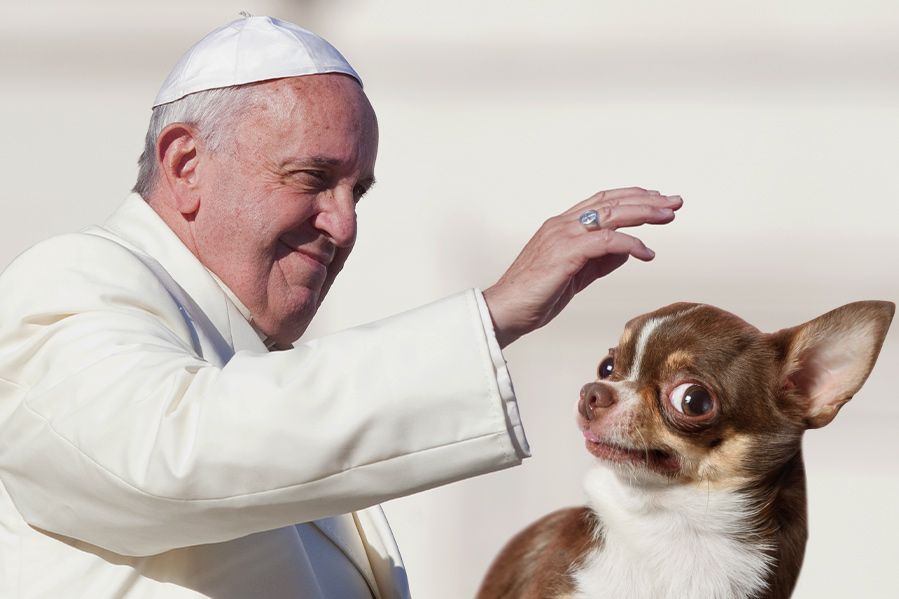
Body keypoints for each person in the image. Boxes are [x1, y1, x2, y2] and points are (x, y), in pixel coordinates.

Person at [0, 15, 682, 599]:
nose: (344, 224)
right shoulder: (72, 281)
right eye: (312, 178)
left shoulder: (253, 363)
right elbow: (170, 456)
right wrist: (491, 315)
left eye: (357, 190)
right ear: (184, 164)